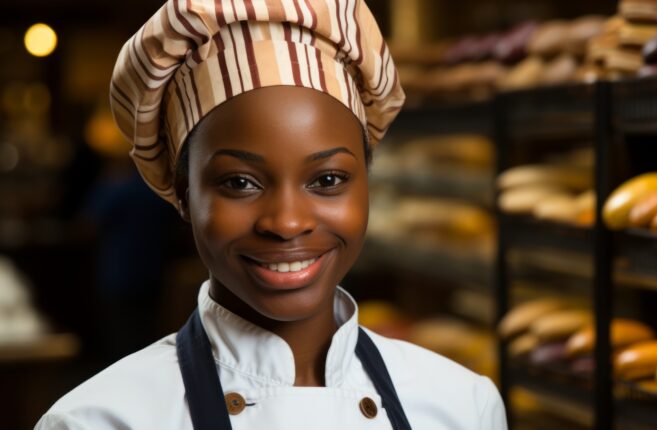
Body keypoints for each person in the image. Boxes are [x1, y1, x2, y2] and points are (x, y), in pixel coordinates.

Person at [35, 1, 507, 429]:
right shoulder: (98, 422)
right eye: (240, 182)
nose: (286, 222)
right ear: (182, 193)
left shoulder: (463, 406)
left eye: (327, 180)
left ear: (368, 180)